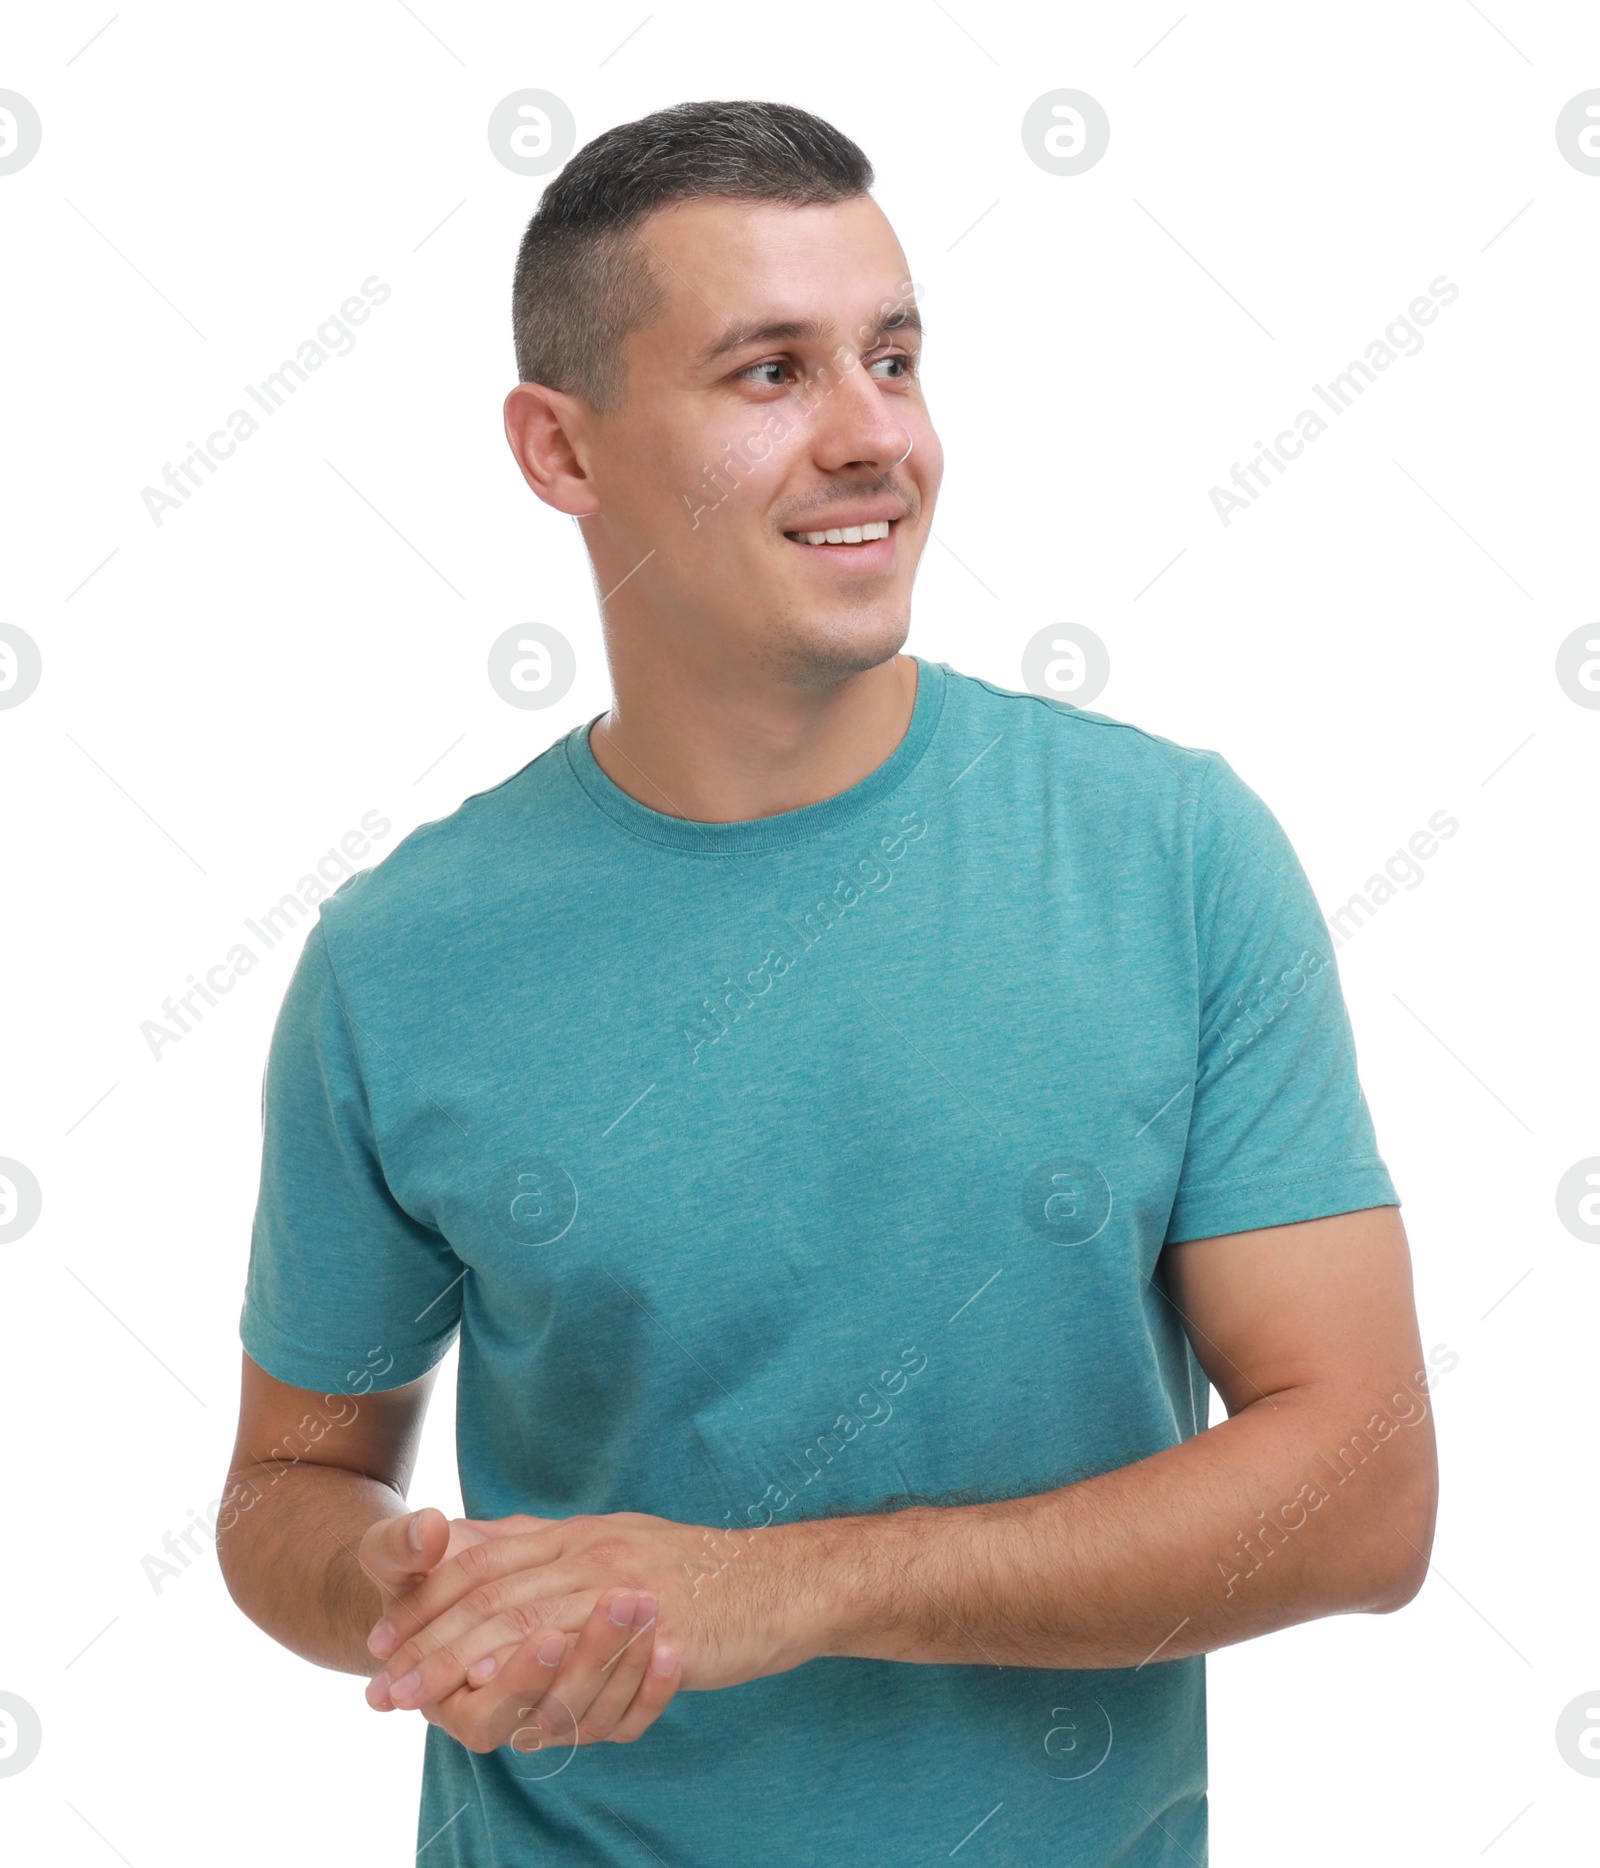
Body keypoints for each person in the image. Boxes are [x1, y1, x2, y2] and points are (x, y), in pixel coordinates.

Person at [217, 98, 1438, 1866]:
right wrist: (397, 1587)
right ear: (562, 454)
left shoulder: (1168, 859)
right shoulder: (400, 955)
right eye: (770, 374)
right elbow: (289, 1485)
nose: (877, 437)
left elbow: (1363, 1494)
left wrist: (776, 1591)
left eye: (895, 355)